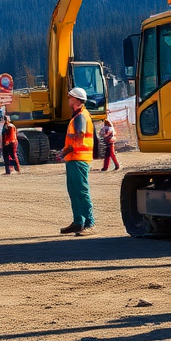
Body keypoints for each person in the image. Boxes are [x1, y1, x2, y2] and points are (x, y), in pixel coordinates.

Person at [60, 87, 95, 236]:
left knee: (81, 191)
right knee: (74, 191)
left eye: (70, 97)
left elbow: (79, 138)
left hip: (78, 159)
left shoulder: (81, 116)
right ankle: (78, 222)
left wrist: (65, 151)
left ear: (76, 100)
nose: (68, 100)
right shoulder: (78, 116)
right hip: (74, 158)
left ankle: (89, 223)